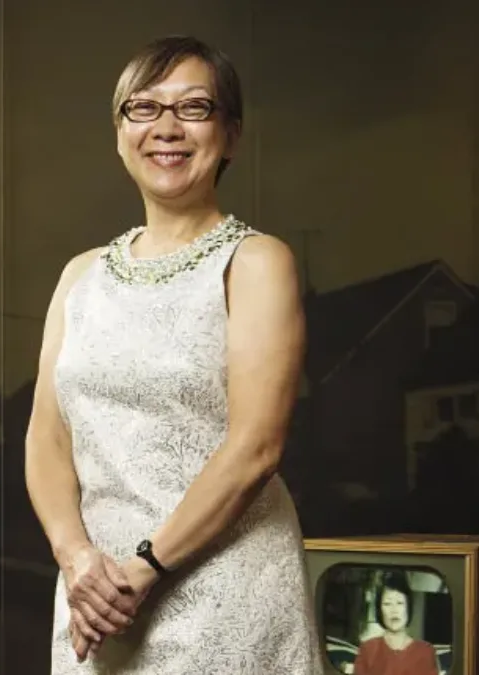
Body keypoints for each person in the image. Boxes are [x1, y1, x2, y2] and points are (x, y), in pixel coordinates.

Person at [24, 35, 325, 674]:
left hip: (224, 593)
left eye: (194, 108)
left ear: (232, 135)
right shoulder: (79, 276)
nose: (167, 128)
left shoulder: (257, 262)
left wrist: (144, 568)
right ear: (119, 133)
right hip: (96, 601)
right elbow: (46, 440)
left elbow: (256, 448)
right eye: (144, 107)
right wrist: (77, 559)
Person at [348, 572, 440, 675]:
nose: (394, 610)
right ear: (380, 610)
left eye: (400, 603)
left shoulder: (426, 651)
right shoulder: (367, 650)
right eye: (387, 603)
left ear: (408, 607)